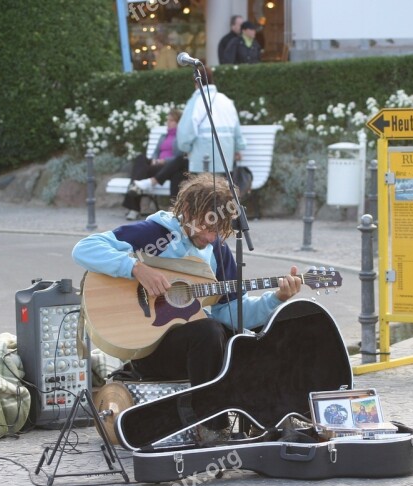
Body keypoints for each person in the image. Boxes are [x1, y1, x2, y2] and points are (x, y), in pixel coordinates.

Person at [73, 173, 302, 444]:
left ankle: (269, 416)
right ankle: (212, 427)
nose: (212, 235)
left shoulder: (218, 251)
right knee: (207, 331)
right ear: (187, 211)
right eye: (207, 226)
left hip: (197, 354)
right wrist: (136, 268)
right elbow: (84, 248)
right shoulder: (156, 234)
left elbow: (231, 312)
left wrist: (276, 298)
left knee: (255, 335)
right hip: (151, 350)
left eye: (219, 228)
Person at [177, 65, 246, 177]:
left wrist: (186, 148)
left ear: (196, 83)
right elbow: (237, 130)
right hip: (226, 159)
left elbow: (185, 132)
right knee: (222, 192)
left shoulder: (196, 101)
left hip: (203, 158)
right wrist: (237, 148)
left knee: (205, 192)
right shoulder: (226, 100)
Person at [123, 108, 189, 220]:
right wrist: (154, 160)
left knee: (178, 169)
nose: (168, 122)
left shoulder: (181, 138)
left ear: (179, 123)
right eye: (167, 120)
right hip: (156, 165)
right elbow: (155, 152)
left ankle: (134, 208)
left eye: (171, 120)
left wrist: (164, 161)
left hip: (168, 167)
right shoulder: (163, 136)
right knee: (140, 158)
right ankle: (136, 187)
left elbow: (180, 156)